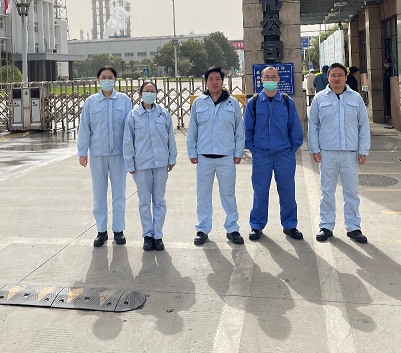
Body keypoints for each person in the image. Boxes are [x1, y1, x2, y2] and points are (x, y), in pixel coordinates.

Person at [308, 62, 370, 244]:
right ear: (328, 77)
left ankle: (353, 227)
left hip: (350, 152)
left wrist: (363, 149)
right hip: (327, 153)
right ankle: (326, 226)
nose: (336, 78)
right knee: (327, 191)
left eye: (340, 75)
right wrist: (315, 149)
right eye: (333, 75)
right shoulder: (319, 99)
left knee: (351, 192)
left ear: (346, 77)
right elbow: (313, 126)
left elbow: (363, 126)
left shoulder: (356, 98)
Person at [243, 66, 304, 241]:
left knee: (287, 191)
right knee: (260, 192)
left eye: (273, 77)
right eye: (267, 77)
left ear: (278, 79)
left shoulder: (287, 101)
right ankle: (257, 225)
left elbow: (295, 128)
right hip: (261, 156)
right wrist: (254, 149)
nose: (270, 80)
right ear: (261, 80)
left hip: (284, 155)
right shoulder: (254, 102)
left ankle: (290, 225)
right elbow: (247, 129)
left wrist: (292, 148)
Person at [186, 66, 245, 246]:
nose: (214, 82)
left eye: (217, 79)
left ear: (222, 81)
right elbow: (192, 130)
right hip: (204, 158)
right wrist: (192, 151)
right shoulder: (199, 103)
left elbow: (239, 130)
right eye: (210, 79)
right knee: (203, 195)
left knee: (228, 194)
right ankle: (202, 229)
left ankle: (232, 228)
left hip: (226, 157)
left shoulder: (232, 103)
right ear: (206, 82)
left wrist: (238, 152)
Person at [77, 66, 132, 247]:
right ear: (98, 80)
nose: (107, 80)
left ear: (115, 80)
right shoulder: (91, 102)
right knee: (99, 195)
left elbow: (130, 129)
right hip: (98, 154)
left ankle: (118, 230)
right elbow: (84, 128)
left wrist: (131, 152)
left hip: (119, 155)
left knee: (119, 194)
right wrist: (82, 152)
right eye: (103, 77)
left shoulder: (124, 100)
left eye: (110, 77)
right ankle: (101, 230)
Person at [123, 81, 177, 251]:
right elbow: (128, 141)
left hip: (161, 163)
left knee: (159, 200)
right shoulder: (133, 116)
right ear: (140, 94)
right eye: (146, 91)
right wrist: (130, 163)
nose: (149, 94)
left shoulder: (163, 114)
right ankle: (147, 235)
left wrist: (172, 158)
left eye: (152, 91)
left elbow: (170, 137)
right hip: (141, 165)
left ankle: (158, 235)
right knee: (144, 201)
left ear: (156, 94)